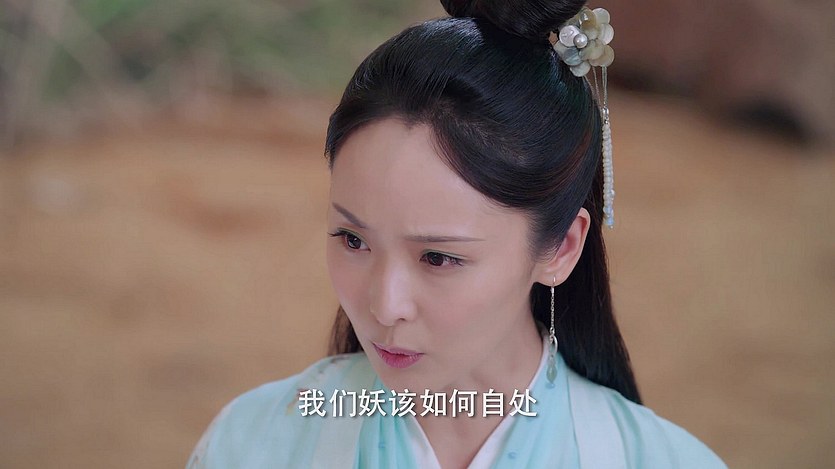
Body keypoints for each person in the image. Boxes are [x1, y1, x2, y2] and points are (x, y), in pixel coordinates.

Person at [187, 1, 727, 467]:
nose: (385, 306)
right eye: (353, 241)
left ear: (560, 247)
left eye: (439, 258)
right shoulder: (252, 443)